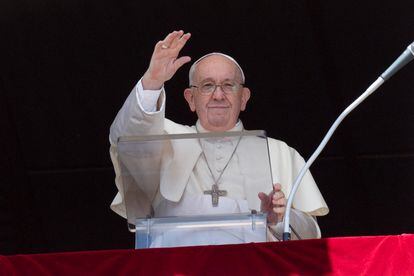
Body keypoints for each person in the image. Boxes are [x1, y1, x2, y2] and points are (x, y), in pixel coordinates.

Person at [109, 30, 329, 242]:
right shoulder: (164, 140)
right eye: (207, 86)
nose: (218, 95)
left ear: (243, 98)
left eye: (228, 85)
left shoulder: (279, 152)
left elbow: (311, 236)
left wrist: (279, 219)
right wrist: (152, 82)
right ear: (190, 99)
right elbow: (126, 142)